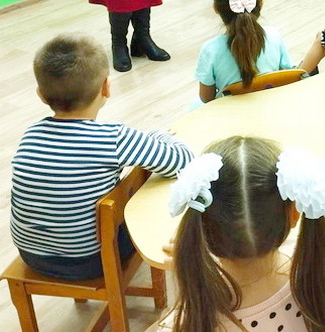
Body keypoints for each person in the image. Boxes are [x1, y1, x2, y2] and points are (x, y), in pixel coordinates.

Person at [10, 34, 194, 281]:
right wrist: (159, 134)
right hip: (93, 260)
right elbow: (182, 162)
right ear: (106, 87)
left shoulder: (30, 134)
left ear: (41, 95)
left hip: (32, 256)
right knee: (150, 197)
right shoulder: (113, 138)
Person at [148, 136, 325, 332]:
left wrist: (192, 275)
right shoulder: (311, 284)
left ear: (200, 227)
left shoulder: (191, 321)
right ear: (294, 214)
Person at [197, 0, 292, 103]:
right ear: (261, 4)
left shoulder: (210, 50)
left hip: (229, 114)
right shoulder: (274, 35)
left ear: (216, 8)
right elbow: (287, 76)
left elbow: (206, 98)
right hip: (270, 109)